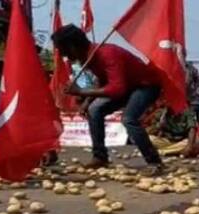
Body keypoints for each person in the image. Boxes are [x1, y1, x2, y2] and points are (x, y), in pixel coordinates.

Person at [52, 24, 165, 176]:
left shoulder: (107, 53)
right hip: (127, 86)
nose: (64, 56)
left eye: (64, 50)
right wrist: (87, 102)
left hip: (145, 86)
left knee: (129, 119)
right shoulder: (89, 58)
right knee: (94, 110)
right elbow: (104, 80)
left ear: (72, 46)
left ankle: (154, 162)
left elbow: (117, 88)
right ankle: (100, 157)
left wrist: (81, 92)